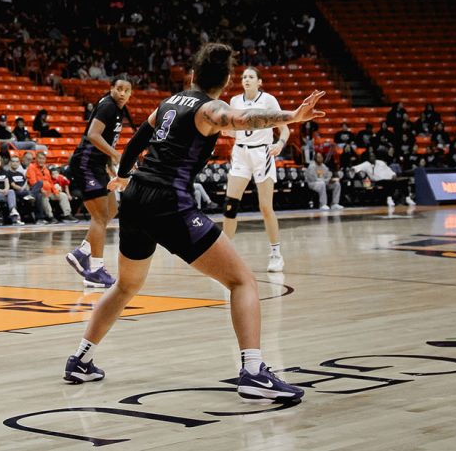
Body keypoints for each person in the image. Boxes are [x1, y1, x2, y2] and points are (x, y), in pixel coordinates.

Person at [60, 42, 324, 402]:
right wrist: (292, 116)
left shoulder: (169, 102)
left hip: (136, 196)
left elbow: (140, 138)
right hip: (169, 202)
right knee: (242, 281)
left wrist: (123, 175)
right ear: (228, 81)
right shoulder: (212, 108)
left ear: (194, 76)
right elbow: (246, 121)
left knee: (125, 286)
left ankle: (80, 359)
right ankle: (253, 371)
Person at [221, 67, 291, 273]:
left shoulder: (268, 100)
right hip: (241, 154)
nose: (246, 80)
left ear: (259, 81)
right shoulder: (234, 101)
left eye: (251, 77)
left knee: (265, 207)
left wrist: (280, 144)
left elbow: (285, 128)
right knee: (230, 205)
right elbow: (238, 132)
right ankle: (225, 258)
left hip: (262, 155)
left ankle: (276, 254)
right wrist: (230, 132)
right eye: (244, 77)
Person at [65, 77, 133, 288]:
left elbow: (105, 142)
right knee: (100, 216)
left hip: (98, 166)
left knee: (111, 209)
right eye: (118, 89)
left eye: (126, 90)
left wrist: (112, 170)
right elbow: (93, 135)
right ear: (111, 89)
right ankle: (95, 270)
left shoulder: (119, 110)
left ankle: (82, 252)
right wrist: (116, 156)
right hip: (86, 164)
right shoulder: (107, 106)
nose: (122, 93)